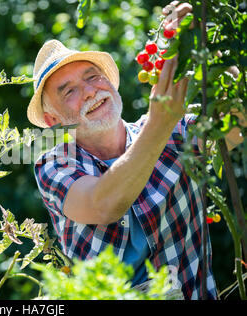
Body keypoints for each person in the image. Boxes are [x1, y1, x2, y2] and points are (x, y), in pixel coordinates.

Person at [29, 2, 244, 300]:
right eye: (69, 91)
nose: (90, 91)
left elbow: (240, 118)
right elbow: (104, 204)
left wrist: (206, 43)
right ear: (53, 121)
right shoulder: (54, 165)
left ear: (111, 84)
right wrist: (160, 124)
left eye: (93, 77)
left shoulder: (176, 130)